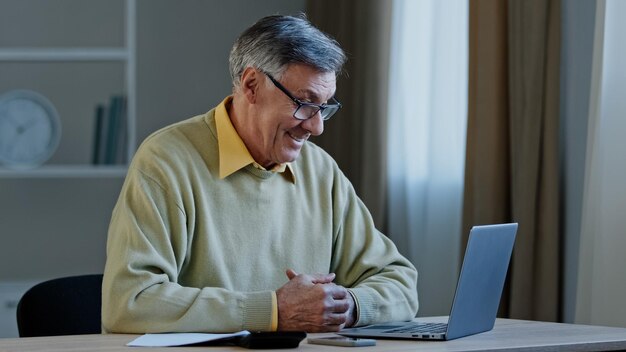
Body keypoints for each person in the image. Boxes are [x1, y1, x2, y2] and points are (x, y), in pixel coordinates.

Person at [101, 14, 418, 334]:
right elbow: (131, 301)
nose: (316, 126)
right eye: (304, 103)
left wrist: (348, 305)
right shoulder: (165, 161)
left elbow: (400, 283)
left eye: (324, 107)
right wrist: (272, 311)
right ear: (252, 86)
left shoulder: (320, 170)